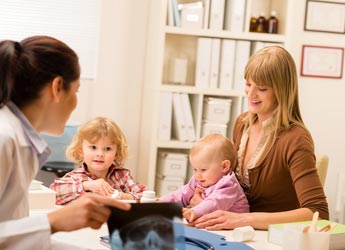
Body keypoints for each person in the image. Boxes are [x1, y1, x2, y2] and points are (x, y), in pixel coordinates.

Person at [0, 36, 130, 249]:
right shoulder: (4, 137)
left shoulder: (17, 137)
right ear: (58, 87)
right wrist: (55, 221)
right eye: (76, 90)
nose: (76, 102)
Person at [192, 46, 329, 230]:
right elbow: (229, 184)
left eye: (262, 88)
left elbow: (317, 212)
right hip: (235, 232)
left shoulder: (296, 139)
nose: (251, 93)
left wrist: (244, 220)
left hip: (271, 240)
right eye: (248, 84)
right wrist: (204, 198)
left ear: (281, 91)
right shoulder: (242, 124)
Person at [50, 117, 146, 205]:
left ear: (116, 153)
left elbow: (145, 195)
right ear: (81, 151)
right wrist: (86, 185)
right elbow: (53, 192)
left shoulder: (122, 176)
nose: (100, 154)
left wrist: (127, 197)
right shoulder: (75, 177)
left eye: (107, 149)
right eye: (93, 147)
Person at [159, 133, 249, 222]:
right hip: (213, 222)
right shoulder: (200, 179)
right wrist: (163, 202)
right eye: (195, 169)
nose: (197, 175)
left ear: (224, 167)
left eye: (203, 169)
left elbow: (214, 203)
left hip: (235, 228)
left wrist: (194, 211)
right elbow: (182, 193)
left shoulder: (229, 184)